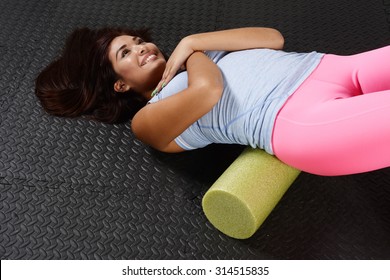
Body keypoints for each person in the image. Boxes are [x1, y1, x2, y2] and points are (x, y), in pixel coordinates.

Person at [35, 27, 390, 176]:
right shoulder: (148, 119)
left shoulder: (200, 50)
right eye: (126, 52)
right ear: (119, 86)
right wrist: (191, 51)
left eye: (138, 40)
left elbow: (273, 38)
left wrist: (193, 40)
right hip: (299, 121)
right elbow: (208, 91)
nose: (142, 47)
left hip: (333, 67)